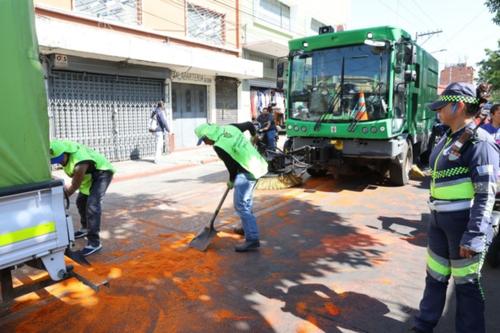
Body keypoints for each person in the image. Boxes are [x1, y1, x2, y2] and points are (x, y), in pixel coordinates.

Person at [412, 83, 499, 333]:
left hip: (463, 225)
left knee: (466, 287)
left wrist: (474, 235)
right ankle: (422, 326)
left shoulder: (480, 143)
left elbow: (486, 195)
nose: (438, 111)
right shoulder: (450, 137)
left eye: (441, 106)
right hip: (439, 222)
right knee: (435, 277)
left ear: (458, 105)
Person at [194, 123, 268, 252]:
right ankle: (246, 228)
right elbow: (250, 125)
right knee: (246, 201)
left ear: (209, 135)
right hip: (258, 165)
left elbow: (232, 166)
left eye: (205, 140)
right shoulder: (230, 127)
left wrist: (231, 180)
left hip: (247, 171)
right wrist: (254, 136)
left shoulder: (219, 146)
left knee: (241, 205)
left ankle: (252, 239)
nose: (206, 143)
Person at [49, 140, 115, 256]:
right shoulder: (60, 148)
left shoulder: (80, 162)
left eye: (59, 160)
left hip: (103, 173)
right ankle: (85, 228)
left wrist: (62, 197)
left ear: (65, 154)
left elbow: (75, 185)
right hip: (89, 175)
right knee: (80, 201)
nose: (58, 163)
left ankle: (94, 243)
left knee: (92, 205)